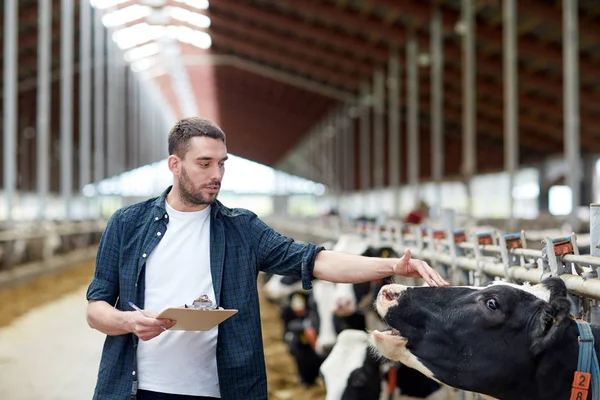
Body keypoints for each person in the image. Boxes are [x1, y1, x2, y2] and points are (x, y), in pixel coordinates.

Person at [85, 117, 448, 400]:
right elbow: (96, 308)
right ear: (174, 164)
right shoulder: (127, 224)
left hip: (221, 388)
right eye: (204, 163)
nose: (217, 176)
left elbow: (315, 261)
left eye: (222, 164)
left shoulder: (242, 228)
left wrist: (392, 267)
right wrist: (128, 322)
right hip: (136, 387)